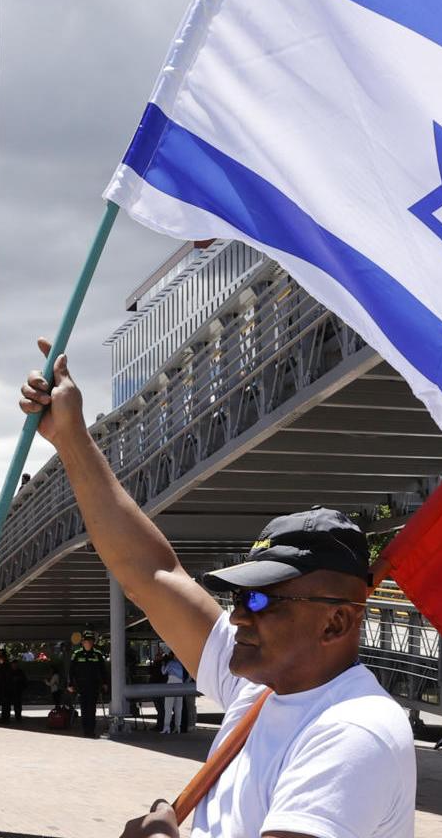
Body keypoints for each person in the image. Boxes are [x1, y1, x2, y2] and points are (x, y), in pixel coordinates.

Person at [21, 341, 416, 836]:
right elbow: (150, 572)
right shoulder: (262, 686)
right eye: (238, 597)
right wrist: (71, 437)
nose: (239, 616)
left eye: (260, 598)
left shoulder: (352, 730)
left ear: (336, 621)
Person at [68, 634, 106, 738]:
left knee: (92, 709)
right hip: (81, 686)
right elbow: (71, 671)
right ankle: (86, 730)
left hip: (94, 686)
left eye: (90, 641)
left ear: (93, 642)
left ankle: (91, 730)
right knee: (84, 709)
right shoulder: (77, 654)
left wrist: (105, 683)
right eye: (86, 641)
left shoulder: (97, 654)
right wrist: (70, 684)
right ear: (82, 643)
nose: (88, 643)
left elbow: (103, 671)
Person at [160, 649, 190, 734]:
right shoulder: (182, 664)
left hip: (171, 683)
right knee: (178, 707)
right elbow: (188, 675)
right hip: (180, 684)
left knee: (168, 707)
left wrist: (163, 665)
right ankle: (178, 727)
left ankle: (167, 727)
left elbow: (163, 672)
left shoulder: (170, 663)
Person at [0, 648, 24, 723]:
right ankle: (5, 717)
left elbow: (3, 677)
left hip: (5, 687)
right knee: (5, 704)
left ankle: (6, 718)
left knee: (6, 704)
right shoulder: (3, 665)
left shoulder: (4, 665)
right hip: (4, 687)